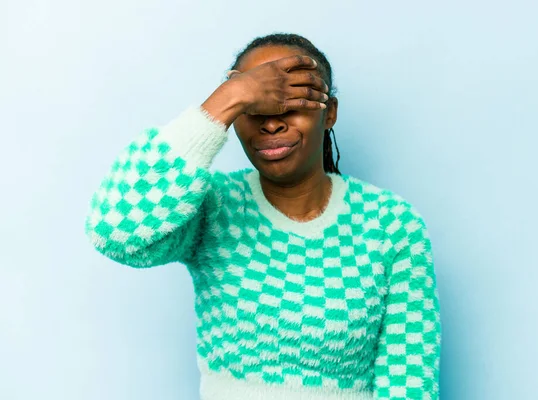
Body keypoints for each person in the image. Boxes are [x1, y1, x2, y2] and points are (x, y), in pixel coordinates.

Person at [84, 32, 442, 400]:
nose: (271, 124)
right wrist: (228, 98)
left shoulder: (390, 224)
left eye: (292, 105)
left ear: (329, 113)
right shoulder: (215, 207)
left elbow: (409, 379)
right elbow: (112, 231)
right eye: (254, 108)